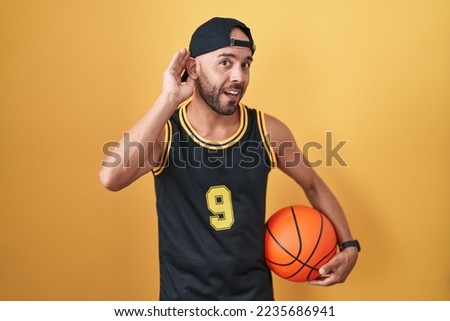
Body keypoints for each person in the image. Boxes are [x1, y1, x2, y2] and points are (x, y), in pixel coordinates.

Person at [99, 17, 359, 300]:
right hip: (184, 299)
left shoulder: (267, 130)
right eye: (226, 62)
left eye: (245, 64)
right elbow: (111, 178)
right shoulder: (166, 133)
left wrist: (349, 245)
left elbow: (313, 186)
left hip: (253, 297)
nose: (239, 76)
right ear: (193, 68)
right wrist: (167, 100)